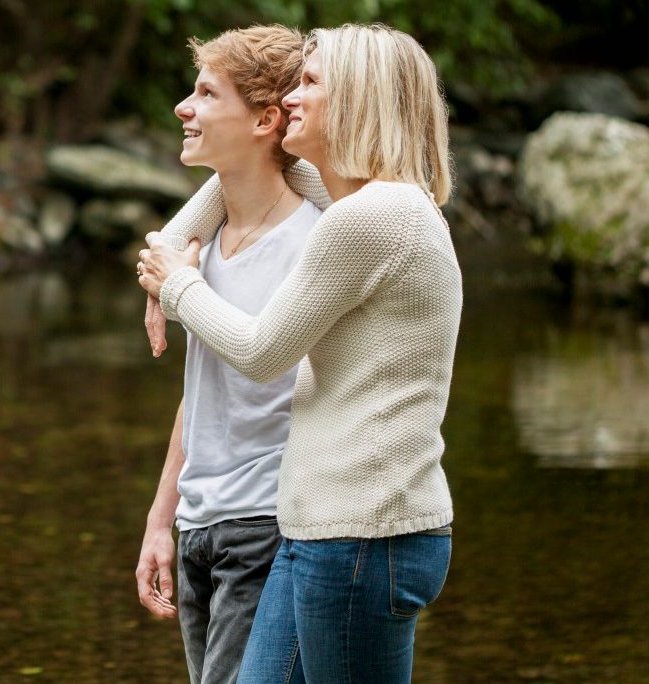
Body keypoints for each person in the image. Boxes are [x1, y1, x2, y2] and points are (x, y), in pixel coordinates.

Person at [137, 23, 460, 683]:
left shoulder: (369, 218)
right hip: (320, 528)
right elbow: (250, 176)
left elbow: (259, 353)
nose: (292, 99)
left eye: (310, 84)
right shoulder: (371, 204)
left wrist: (176, 285)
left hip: (365, 534)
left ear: (357, 100)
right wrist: (171, 255)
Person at [133, 25, 328, 684]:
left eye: (206, 94)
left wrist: (175, 287)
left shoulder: (316, 242)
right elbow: (202, 394)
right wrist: (162, 521)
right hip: (200, 526)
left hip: (269, 528)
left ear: (265, 119)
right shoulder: (203, 247)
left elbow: (264, 359)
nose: (184, 108)